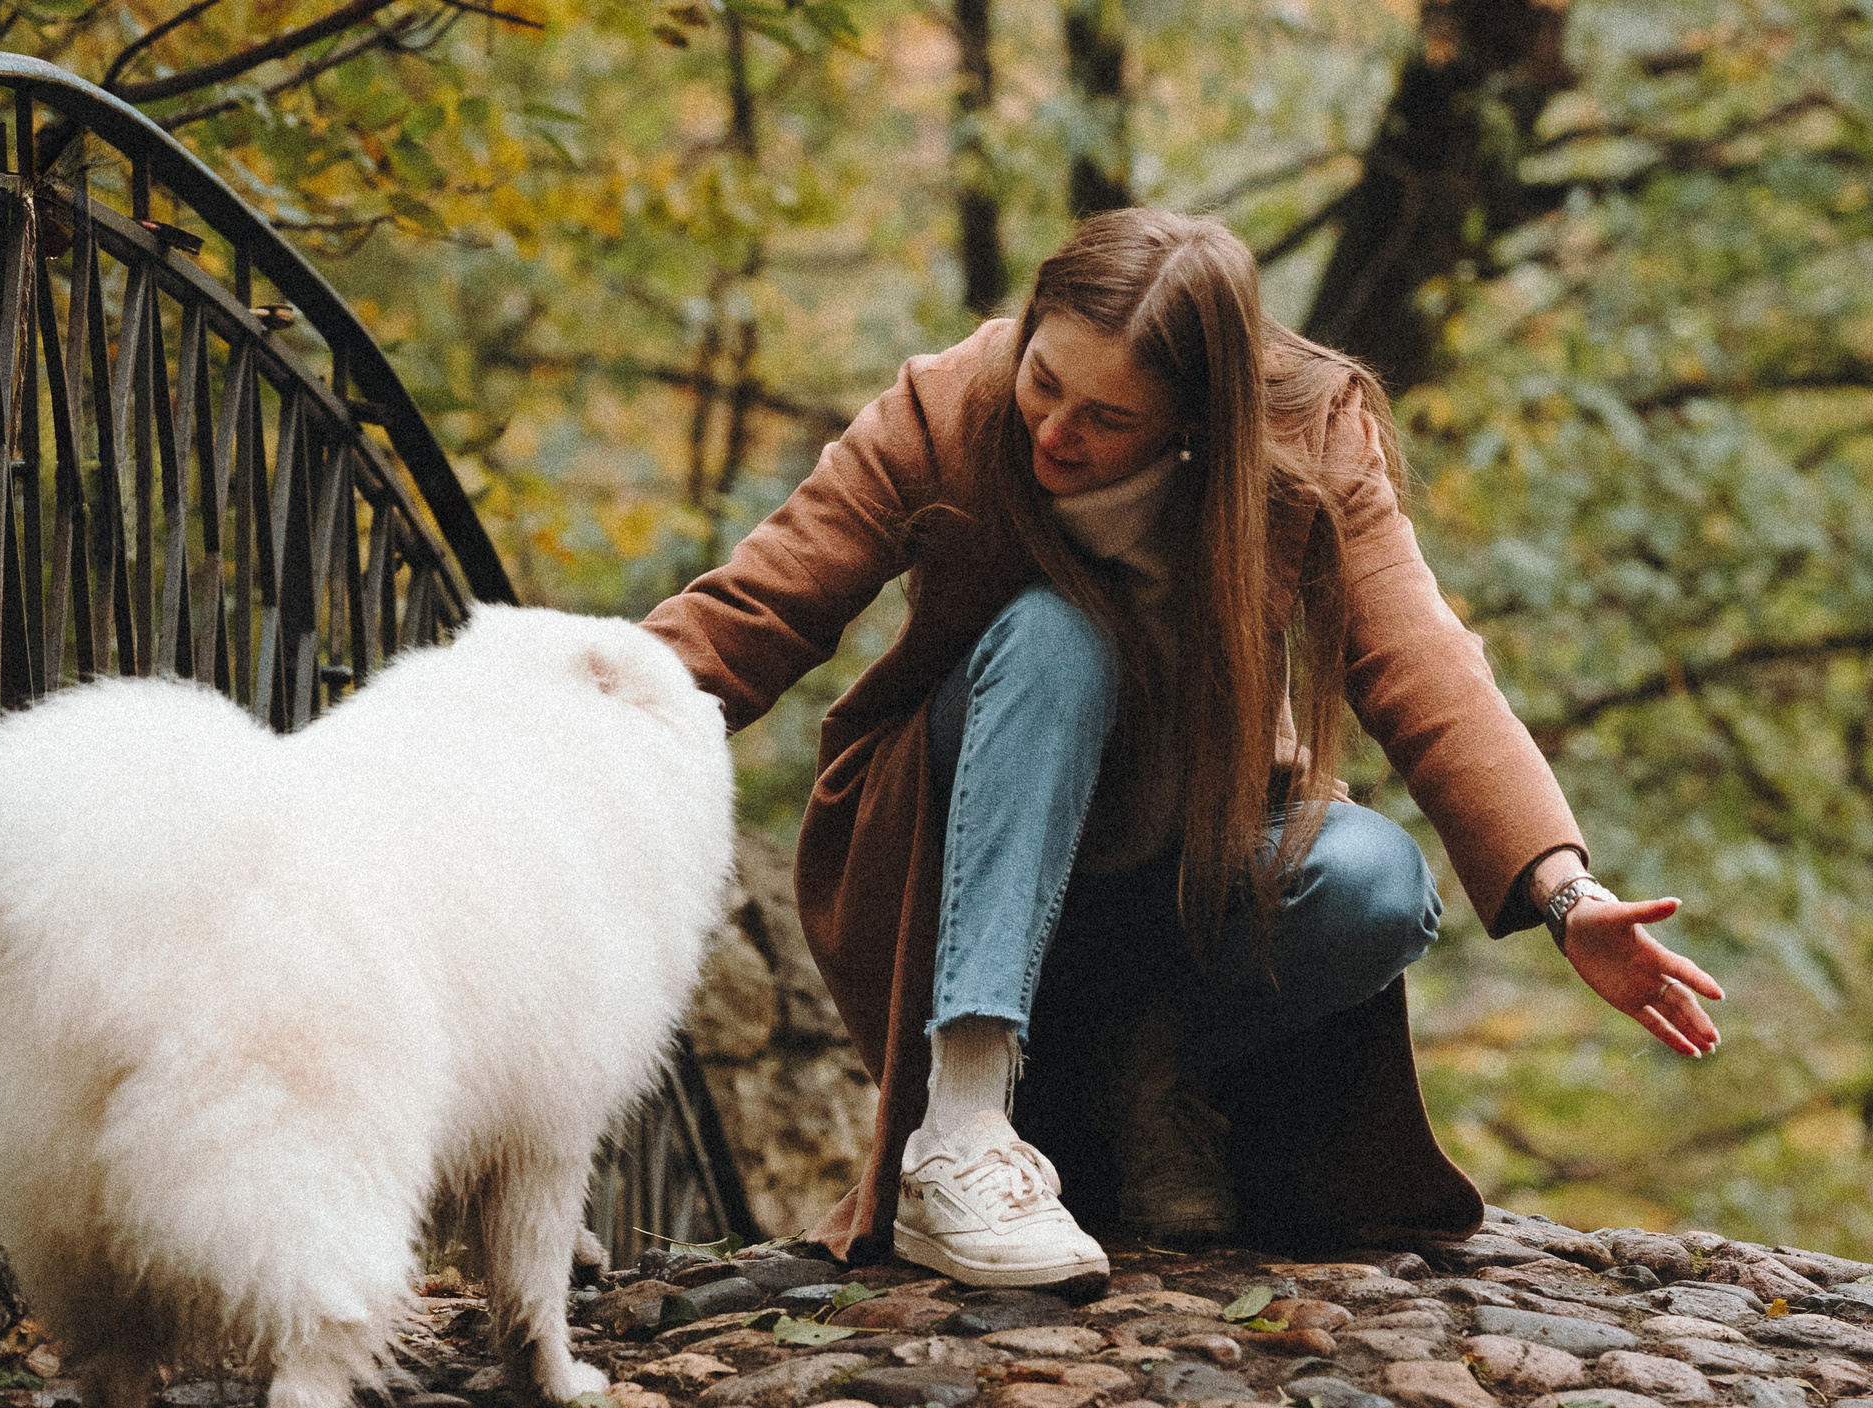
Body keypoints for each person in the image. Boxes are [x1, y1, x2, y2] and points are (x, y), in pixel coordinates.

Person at [641, 209, 1723, 1291]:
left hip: (1184, 868)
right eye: (1043, 381)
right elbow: (760, 606)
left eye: (1107, 417)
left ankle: (1150, 1072)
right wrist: (579, 729)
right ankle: (959, 1131)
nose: (1054, 432)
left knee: (1377, 884)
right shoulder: (952, 404)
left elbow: (1422, 663)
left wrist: (1564, 894)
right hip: (970, 852)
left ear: (1195, 422)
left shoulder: (1306, 437)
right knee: (1058, 634)